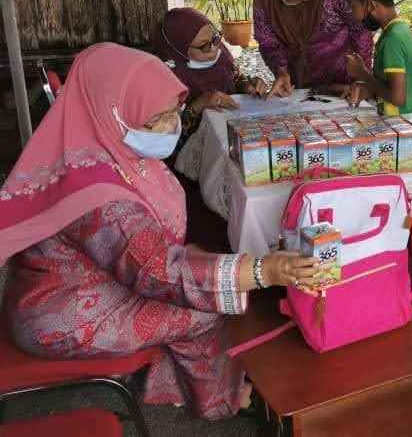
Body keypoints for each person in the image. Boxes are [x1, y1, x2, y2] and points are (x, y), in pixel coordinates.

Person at [0, 43, 316, 420]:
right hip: (61, 314)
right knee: (205, 309)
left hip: (88, 280)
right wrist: (264, 271)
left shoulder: (99, 145)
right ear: (115, 112)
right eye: (159, 118)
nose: (172, 126)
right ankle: (222, 400)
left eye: (174, 112)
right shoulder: (98, 198)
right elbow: (158, 271)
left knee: (205, 277)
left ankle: (174, 382)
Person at [343, 0, 412, 252]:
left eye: (352, 6)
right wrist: (368, 87)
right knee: (411, 206)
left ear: (369, 5)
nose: (351, 13)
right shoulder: (400, 30)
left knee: (411, 205)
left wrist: (363, 74)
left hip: (411, 133)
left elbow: (397, 96)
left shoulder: (392, 40)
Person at [153, 7, 268, 139]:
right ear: (180, 50)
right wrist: (200, 104)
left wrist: (249, 85)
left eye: (215, 38)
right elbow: (167, 135)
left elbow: (235, 77)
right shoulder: (168, 78)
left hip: (233, 131)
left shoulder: (221, 54)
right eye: (205, 46)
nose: (214, 48)